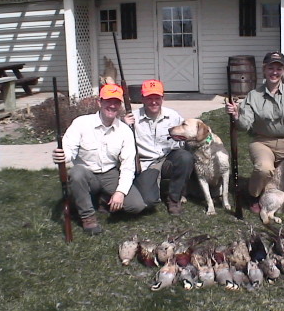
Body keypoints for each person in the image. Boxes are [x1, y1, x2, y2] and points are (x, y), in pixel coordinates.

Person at [52, 84, 147, 235]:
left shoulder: (124, 131)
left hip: (110, 174)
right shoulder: (81, 123)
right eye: (108, 101)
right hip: (87, 174)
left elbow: (128, 166)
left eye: (116, 102)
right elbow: (68, 150)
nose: (112, 105)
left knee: (136, 206)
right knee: (76, 173)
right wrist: (62, 156)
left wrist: (120, 192)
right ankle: (88, 217)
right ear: (99, 102)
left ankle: (102, 199)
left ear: (120, 105)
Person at [226, 51, 284, 213]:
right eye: (270, 68)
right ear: (264, 70)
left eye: (278, 68)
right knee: (265, 169)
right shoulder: (253, 96)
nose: (274, 72)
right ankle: (253, 195)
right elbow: (245, 125)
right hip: (262, 141)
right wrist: (237, 115)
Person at [123, 79, 194, 216]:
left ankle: (174, 199)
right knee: (148, 202)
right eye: (149, 98)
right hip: (147, 164)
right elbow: (117, 139)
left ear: (163, 98)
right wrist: (123, 125)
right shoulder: (132, 118)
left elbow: (189, 136)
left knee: (185, 158)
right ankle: (153, 188)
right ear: (142, 98)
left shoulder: (173, 116)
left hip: (168, 159)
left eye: (157, 98)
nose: (154, 102)